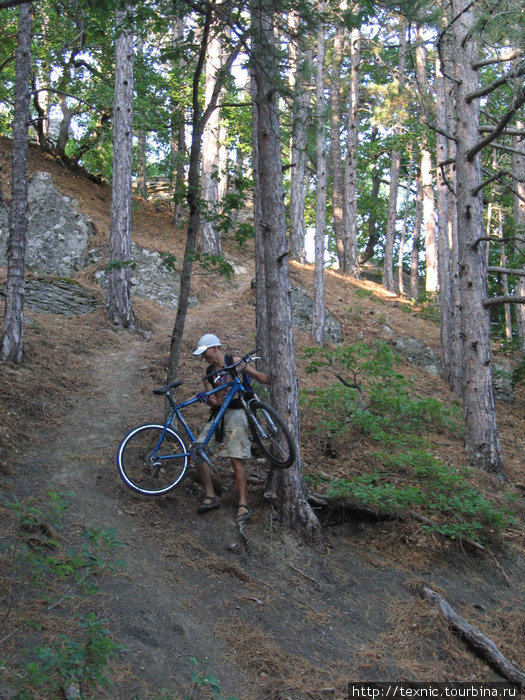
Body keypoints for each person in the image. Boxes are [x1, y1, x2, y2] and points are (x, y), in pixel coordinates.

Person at [192, 333, 270, 523]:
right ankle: (210, 496)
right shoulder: (207, 373)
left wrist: (281, 377)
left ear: (216, 348)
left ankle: (243, 503)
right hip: (219, 415)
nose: (204, 356)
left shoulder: (235, 362)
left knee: (236, 457)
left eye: (206, 352)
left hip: (237, 411)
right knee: (197, 451)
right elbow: (215, 402)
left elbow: (260, 377)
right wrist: (206, 398)